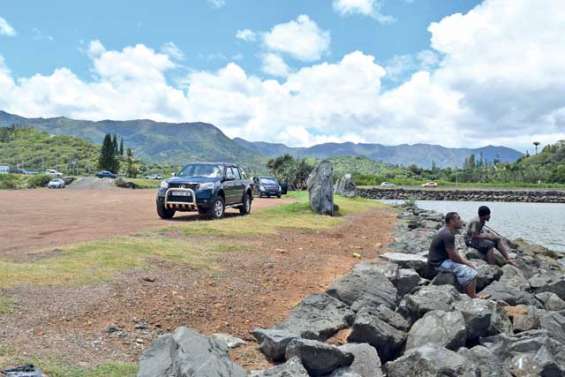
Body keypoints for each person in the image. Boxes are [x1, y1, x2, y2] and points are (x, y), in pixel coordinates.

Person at [428, 212, 480, 298]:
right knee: (472, 273)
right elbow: (453, 257)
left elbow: (452, 251)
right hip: (437, 263)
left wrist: (464, 260)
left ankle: (465, 292)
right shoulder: (447, 234)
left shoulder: (445, 231)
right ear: (452, 221)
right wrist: (468, 263)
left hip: (438, 260)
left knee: (465, 265)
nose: (461, 221)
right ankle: (473, 296)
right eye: (458, 218)